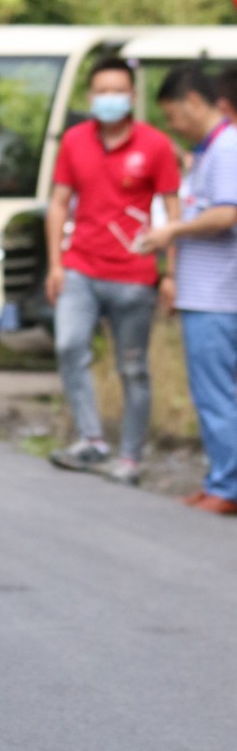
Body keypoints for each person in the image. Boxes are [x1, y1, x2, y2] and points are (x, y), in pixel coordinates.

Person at [45, 57, 181, 485]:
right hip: (80, 267)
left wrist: (171, 274)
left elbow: (173, 212)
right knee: (69, 346)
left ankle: (130, 458)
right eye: (102, 91)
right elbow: (58, 203)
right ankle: (91, 440)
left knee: (133, 367)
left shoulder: (156, 145)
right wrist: (55, 264)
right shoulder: (74, 141)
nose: (110, 98)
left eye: (117, 91)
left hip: (134, 276)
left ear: (132, 96)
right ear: (90, 96)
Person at [139, 67, 237, 514]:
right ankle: (219, 479)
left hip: (218, 296)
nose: (172, 125)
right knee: (213, 394)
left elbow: (227, 214)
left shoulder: (227, 146)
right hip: (207, 294)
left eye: (173, 115)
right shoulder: (210, 150)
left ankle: (227, 488)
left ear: (195, 102)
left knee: (218, 395)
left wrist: (172, 231)